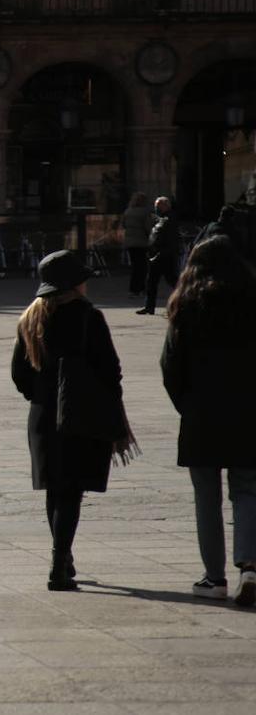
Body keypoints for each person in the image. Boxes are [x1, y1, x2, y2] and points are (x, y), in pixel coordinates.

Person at [12, 250, 123, 591]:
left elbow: (19, 374)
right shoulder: (89, 317)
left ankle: (64, 558)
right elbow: (110, 369)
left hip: (43, 414)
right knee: (71, 492)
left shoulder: (30, 318)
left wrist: (41, 396)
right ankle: (59, 563)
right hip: (79, 413)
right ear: (75, 284)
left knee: (55, 488)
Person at [160, 236, 256, 606]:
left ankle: (213, 577)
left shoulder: (185, 306)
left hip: (201, 413)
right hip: (249, 411)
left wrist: (186, 403)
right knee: (247, 489)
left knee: (207, 496)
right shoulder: (251, 301)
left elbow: (170, 365)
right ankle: (249, 564)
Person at [137, 196, 180, 316]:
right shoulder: (160, 218)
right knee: (151, 281)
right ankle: (149, 306)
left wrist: (164, 252)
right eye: (156, 205)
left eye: (158, 205)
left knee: (172, 280)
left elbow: (171, 239)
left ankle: (183, 302)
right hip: (156, 254)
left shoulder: (170, 218)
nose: (156, 208)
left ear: (165, 205)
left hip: (165, 255)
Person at [121, 192, 153, 298]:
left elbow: (124, 225)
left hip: (130, 243)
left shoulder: (128, 211)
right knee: (142, 267)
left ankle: (134, 289)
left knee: (135, 266)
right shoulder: (145, 212)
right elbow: (148, 227)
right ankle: (140, 289)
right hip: (142, 242)